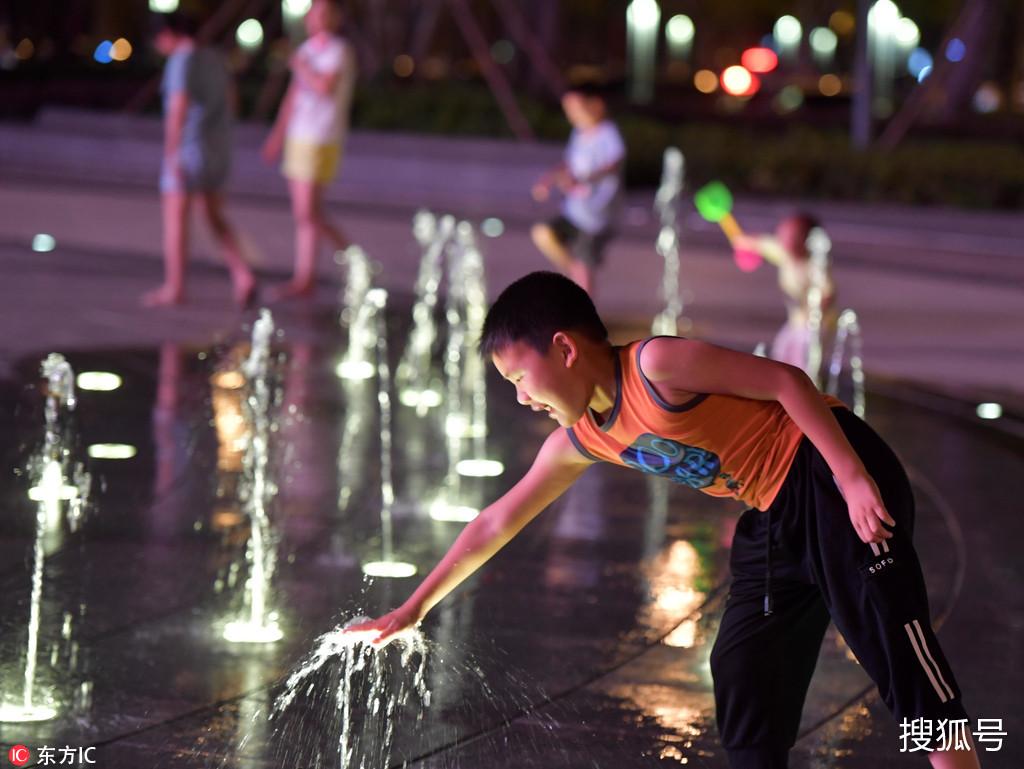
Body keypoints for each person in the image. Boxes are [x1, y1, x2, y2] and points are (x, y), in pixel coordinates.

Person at [351, 271, 980, 769]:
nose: (520, 397)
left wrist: (849, 477)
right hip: (773, 508)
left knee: (894, 648)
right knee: (744, 666)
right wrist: (414, 608)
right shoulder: (583, 437)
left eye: (520, 377)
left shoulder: (655, 367)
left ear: (564, 349)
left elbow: (787, 382)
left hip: (828, 469)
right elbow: (495, 522)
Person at [142, 12, 257, 309]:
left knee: (176, 219)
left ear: (167, 35)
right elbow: (233, 101)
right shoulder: (216, 57)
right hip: (218, 149)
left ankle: (175, 286)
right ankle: (243, 275)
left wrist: (171, 154)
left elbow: (178, 105)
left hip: (189, 148)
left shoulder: (182, 60)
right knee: (213, 216)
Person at [261, 0, 356, 300]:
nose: (317, 17)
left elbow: (323, 86)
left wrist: (301, 66)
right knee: (306, 214)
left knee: (308, 212)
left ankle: (353, 261)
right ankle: (307, 277)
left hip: (320, 137)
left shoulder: (338, 50)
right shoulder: (307, 50)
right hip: (299, 136)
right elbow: (293, 96)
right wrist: (277, 134)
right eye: (314, 12)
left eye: (325, 12)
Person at [530, 83, 625, 296]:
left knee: (584, 266)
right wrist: (550, 178)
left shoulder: (607, 133)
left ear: (596, 105)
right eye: (568, 110)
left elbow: (614, 163)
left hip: (597, 216)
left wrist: (585, 178)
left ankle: (586, 318)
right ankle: (570, 271)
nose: (571, 115)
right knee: (543, 232)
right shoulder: (579, 133)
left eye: (576, 108)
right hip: (574, 211)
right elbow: (568, 162)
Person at [732, 213, 837, 372]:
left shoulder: (816, 265)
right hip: (796, 321)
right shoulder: (784, 253)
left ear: (808, 241)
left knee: (801, 362)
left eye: (793, 235)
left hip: (817, 325)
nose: (785, 239)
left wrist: (814, 313)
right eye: (783, 233)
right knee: (781, 353)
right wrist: (741, 241)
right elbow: (756, 242)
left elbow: (828, 295)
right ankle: (783, 389)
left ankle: (805, 392)